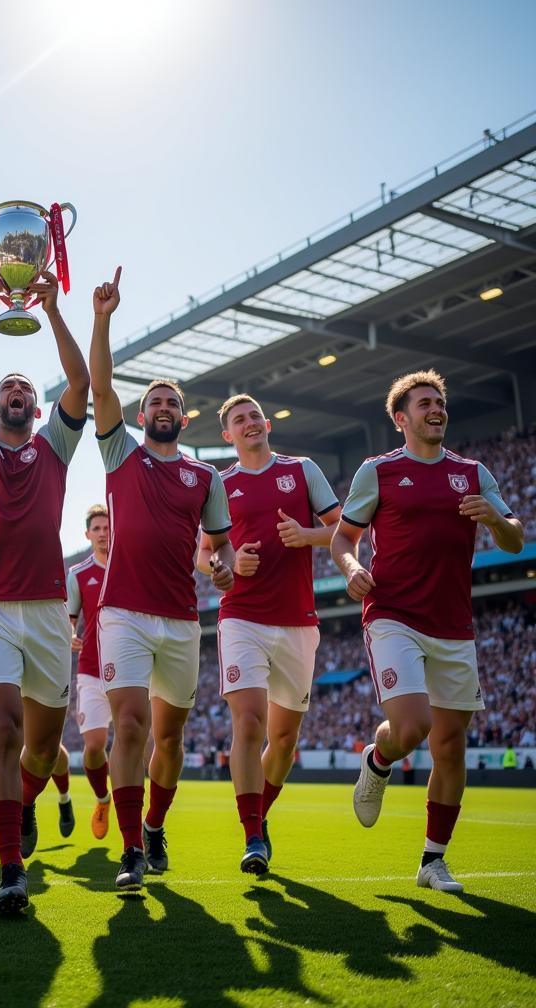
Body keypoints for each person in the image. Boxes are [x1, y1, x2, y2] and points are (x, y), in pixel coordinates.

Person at [331, 369, 524, 893]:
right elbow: (343, 539)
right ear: (401, 419)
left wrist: (494, 519)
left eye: (439, 402)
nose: (435, 409)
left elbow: (515, 539)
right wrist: (352, 570)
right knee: (412, 727)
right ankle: (378, 759)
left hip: (455, 626)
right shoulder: (378, 472)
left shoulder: (474, 472)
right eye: (423, 404)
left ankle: (432, 861)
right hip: (393, 614)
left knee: (451, 746)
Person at [0, 268, 89, 914]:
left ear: (37, 406)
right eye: (7, 388)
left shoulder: (56, 446)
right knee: (0, 727)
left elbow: (81, 384)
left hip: (48, 609)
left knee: (42, 745)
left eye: (26, 388)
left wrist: (55, 311)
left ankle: (26, 800)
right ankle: (10, 871)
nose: (18, 393)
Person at [89, 267, 235, 891]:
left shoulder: (205, 478)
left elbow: (219, 549)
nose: (164, 410)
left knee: (168, 738)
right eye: (155, 404)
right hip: (121, 610)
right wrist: (103, 318)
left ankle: (154, 823)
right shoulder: (121, 453)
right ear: (141, 415)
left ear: (184, 415)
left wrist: (224, 567)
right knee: (130, 726)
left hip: (181, 617)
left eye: (173, 404)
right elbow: (97, 386)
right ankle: (129, 851)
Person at [196, 393, 340, 874]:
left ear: (267, 424)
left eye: (255, 415)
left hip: (298, 619)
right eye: (239, 419)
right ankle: (252, 835)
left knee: (283, 741)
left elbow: (345, 531)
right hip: (241, 616)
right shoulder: (221, 483)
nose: (250, 422)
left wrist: (306, 533)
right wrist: (227, 564)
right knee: (250, 723)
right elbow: (206, 554)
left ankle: (261, 816)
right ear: (227, 435)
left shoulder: (303, 470)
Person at [65, 504, 114, 839]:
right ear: (87, 534)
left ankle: (134, 817)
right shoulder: (79, 574)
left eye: (107, 527)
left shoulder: (131, 564)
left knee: (133, 744)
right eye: (96, 528)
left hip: (131, 671)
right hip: (92, 670)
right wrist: (69, 635)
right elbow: (69, 619)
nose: (102, 532)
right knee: (95, 746)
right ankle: (103, 798)